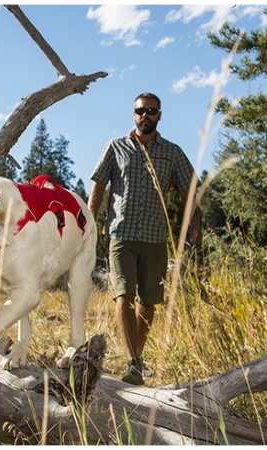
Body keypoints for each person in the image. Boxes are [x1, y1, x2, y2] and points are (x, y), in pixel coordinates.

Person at [88, 92, 202, 385]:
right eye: (140, 111)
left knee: (147, 301)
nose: (145, 116)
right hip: (120, 234)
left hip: (154, 237)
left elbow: (189, 189)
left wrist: (194, 225)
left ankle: (135, 361)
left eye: (151, 111)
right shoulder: (116, 147)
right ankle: (134, 361)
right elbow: (99, 187)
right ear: (133, 114)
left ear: (159, 115)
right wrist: (89, 223)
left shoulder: (172, 152)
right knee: (123, 295)